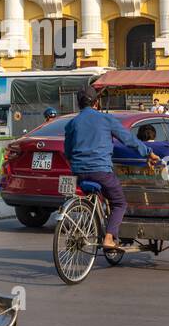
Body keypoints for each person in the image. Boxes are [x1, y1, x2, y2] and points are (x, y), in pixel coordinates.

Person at [64, 84, 158, 253]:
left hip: (78, 172)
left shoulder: (72, 123)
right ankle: (108, 238)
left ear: (79, 104)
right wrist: (148, 153)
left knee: (100, 196)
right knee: (119, 203)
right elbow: (128, 139)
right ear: (96, 103)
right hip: (101, 171)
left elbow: (68, 151)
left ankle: (98, 224)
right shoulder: (106, 120)